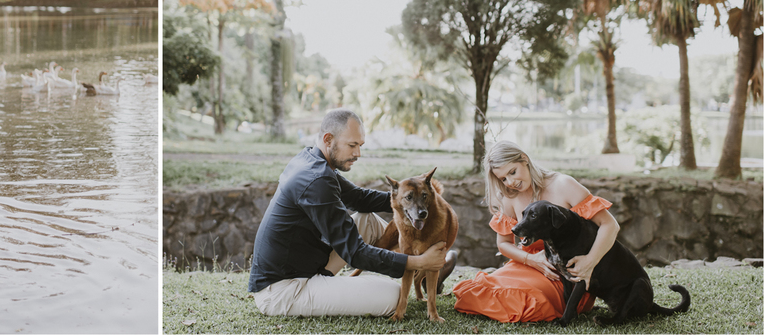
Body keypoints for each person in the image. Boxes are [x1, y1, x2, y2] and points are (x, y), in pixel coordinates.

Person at [248, 108, 457, 317]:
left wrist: (413, 199)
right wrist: (418, 262)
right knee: (395, 295)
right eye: (352, 145)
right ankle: (422, 265)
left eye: (360, 145)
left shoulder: (313, 161)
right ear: (328, 139)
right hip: (284, 290)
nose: (358, 153)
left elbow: (359, 198)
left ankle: (424, 272)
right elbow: (354, 252)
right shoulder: (317, 180)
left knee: (368, 220)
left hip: (308, 264)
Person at [452, 140, 620, 322]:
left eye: (512, 172)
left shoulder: (564, 185)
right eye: (503, 179)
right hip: (528, 264)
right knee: (480, 291)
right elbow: (503, 244)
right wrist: (531, 259)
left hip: (564, 274)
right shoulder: (510, 197)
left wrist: (589, 262)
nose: (511, 182)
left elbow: (610, 225)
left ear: (524, 159)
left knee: (525, 299)